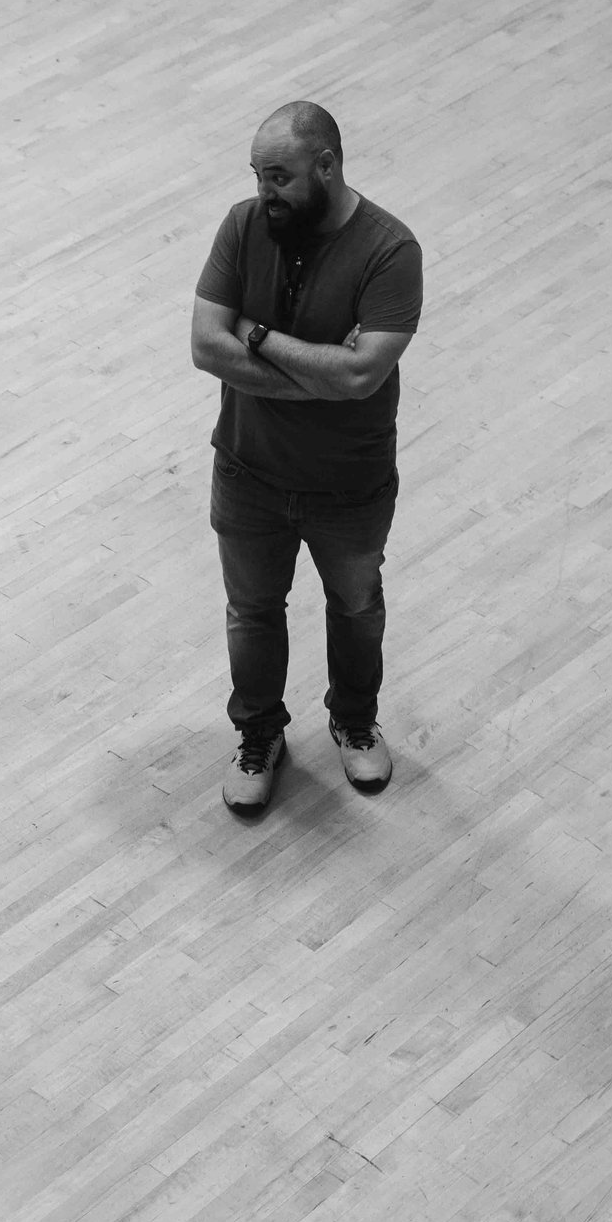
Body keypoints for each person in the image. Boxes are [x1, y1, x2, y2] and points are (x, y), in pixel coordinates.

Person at [187, 102, 421, 814]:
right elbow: (204, 345)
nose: (266, 191)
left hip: (349, 487)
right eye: (259, 175)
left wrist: (254, 338)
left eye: (280, 175)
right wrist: (317, 371)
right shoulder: (242, 225)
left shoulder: (389, 251)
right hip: (248, 471)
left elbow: (361, 376)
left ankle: (353, 721)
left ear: (327, 165)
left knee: (356, 608)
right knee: (251, 613)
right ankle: (259, 734)